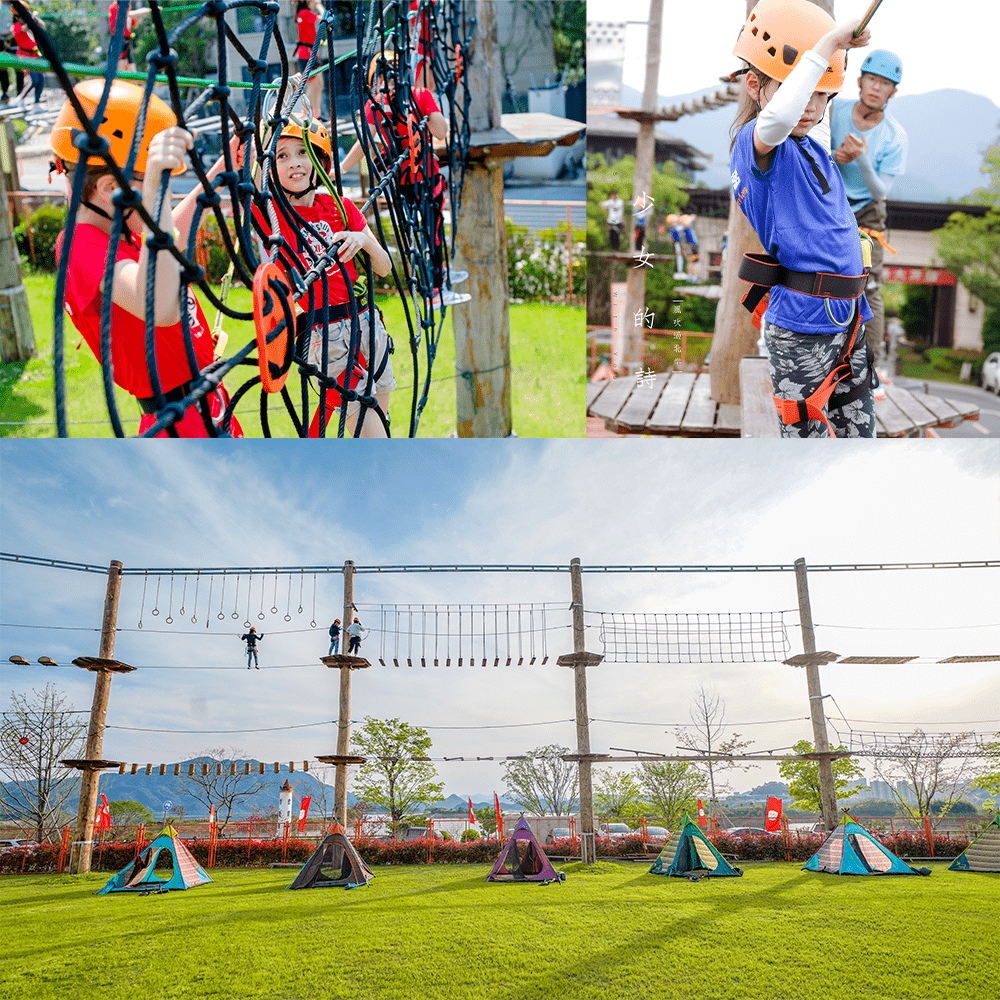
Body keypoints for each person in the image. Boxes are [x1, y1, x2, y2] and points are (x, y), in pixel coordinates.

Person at [51, 79, 243, 437]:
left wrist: (221, 170)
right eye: (155, 184)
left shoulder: (120, 233)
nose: (163, 200)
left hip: (206, 402)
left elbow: (172, 239)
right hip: (178, 420)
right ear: (110, 188)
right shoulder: (78, 247)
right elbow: (158, 305)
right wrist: (156, 192)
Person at [729, 0, 876, 438]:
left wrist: (838, 52)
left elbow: (805, 107)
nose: (810, 107)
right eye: (801, 92)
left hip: (849, 317)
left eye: (821, 96)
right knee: (804, 447)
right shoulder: (756, 146)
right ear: (755, 85)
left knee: (859, 436)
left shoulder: (813, 144)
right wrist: (829, 41)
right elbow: (777, 116)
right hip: (803, 323)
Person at [255, 114, 395, 437]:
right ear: (271, 167)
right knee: (374, 437)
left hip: (369, 325)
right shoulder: (275, 217)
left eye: (304, 152)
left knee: (380, 428)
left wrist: (363, 241)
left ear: (321, 160)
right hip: (327, 334)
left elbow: (384, 267)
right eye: (282, 155)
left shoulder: (341, 206)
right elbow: (247, 181)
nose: (295, 163)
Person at [341, 51, 469, 308]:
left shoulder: (373, 104)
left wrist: (342, 168)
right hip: (426, 176)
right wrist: (429, 108)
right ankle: (434, 290)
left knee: (416, 232)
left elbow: (366, 142)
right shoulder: (419, 95)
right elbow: (441, 133)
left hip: (399, 179)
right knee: (431, 230)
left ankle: (439, 279)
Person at [830, 49, 907, 362]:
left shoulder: (894, 136)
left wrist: (861, 158)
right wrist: (834, 157)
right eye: (872, 80)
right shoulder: (834, 110)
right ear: (859, 81)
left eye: (884, 84)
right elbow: (814, 151)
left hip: (868, 211)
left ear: (893, 92)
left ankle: (872, 366)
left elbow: (880, 191)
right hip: (831, 199)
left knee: (869, 284)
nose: (876, 87)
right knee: (822, 275)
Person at [294, 1, 326, 121]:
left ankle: (316, 114)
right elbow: (324, 19)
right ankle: (306, 114)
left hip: (311, 54)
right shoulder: (304, 13)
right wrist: (319, 5)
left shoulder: (306, 13)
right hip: (306, 54)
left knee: (319, 84)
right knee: (313, 85)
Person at [12, 8, 44, 108]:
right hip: (24, 56)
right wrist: (32, 17)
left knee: (41, 79)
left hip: (35, 55)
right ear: (16, 17)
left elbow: (42, 25)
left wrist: (36, 18)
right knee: (33, 80)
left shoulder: (29, 24)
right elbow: (24, 28)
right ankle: (20, 99)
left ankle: (36, 103)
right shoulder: (16, 26)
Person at [109, 2, 151, 74]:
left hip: (127, 40)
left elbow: (135, 26)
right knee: (121, 67)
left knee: (132, 65)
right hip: (118, 39)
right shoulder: (114, 6)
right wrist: (144, 11)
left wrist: (138, 15)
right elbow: (128, 14)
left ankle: (134, 81)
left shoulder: (128, 9)